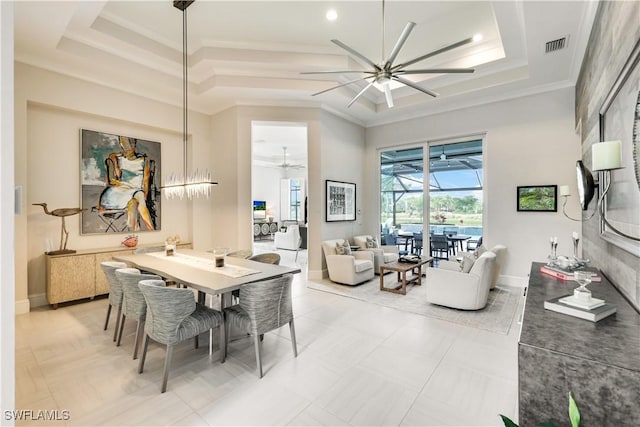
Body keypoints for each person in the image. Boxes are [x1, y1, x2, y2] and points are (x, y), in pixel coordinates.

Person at [98, 136, 155, 231]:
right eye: (123, 144)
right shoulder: (117, 158)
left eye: (128, 144)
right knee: (138, 196)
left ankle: (135, 233)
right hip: (118, 192)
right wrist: (115, 163)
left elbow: (146, 180)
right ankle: (152, 231)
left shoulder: (144, 160)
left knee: (135, 200)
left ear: (134, 144)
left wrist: (145, 196)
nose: (126, 147)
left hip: (135, 192)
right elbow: (113, 180)